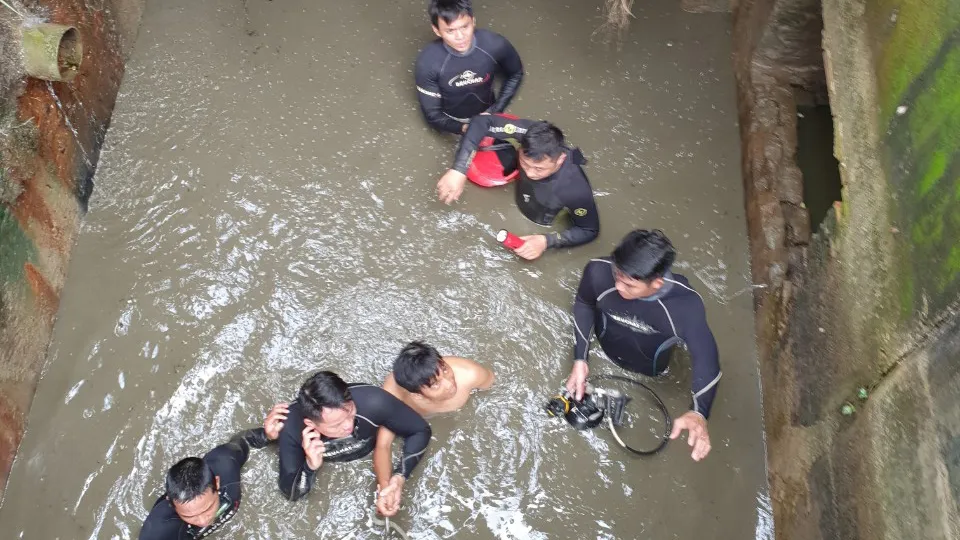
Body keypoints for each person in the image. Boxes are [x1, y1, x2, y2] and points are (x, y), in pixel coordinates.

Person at [564, 229, 722, 462]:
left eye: (629, 285)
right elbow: (584, 304)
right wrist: (580, 359)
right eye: (617, 276)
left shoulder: (684, 306)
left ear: (656, 283)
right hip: (604, 348)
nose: (618, 287)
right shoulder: (598, 271)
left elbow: (708, 362)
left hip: (651, 370)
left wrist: (699, 412)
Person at [436, 115, 600, 260]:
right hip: (520, 193)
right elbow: (481, 122)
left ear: (560, 159)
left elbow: (589, 230)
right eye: (525, 164)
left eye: (539, 169)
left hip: (539, 217)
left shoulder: (575, 189)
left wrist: (546, 241)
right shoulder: (530, 133)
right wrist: (459, 169)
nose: (529, 173)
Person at [270, 371, 432, 503]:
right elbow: (291, 494)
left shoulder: (373, 401)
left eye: (350, 413)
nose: (348, 425)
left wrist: (399, 477)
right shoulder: (291, 428)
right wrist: (310, 466)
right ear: (311, 424)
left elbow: (420, 430)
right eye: (336, 425)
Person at [373, 341, 495, 516]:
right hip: (417, 423)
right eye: (435, 385)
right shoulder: (396, 394)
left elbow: (495, 391)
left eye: (445, 370)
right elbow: (383, 444)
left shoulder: (471, 374)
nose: (449, 383)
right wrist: (386, 488)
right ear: (416, 394)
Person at [138, 405, 287, 539]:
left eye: (208, 508)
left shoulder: (225, 463)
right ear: (171, 504)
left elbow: (244, 441)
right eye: (190, 516)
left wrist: (266, 435)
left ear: (217, 482)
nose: (203, 522)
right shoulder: (157, 531)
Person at [415, 0, 524, 134]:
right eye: (450, 31)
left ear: (473, 21)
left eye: (465, 27)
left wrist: (495, 111)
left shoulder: (495, 44)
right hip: (451, 120)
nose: (460, 37)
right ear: (436, 30)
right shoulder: (428, 62)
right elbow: (433, 114)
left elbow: (516, 74)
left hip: (489, 110)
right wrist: (464, 129)